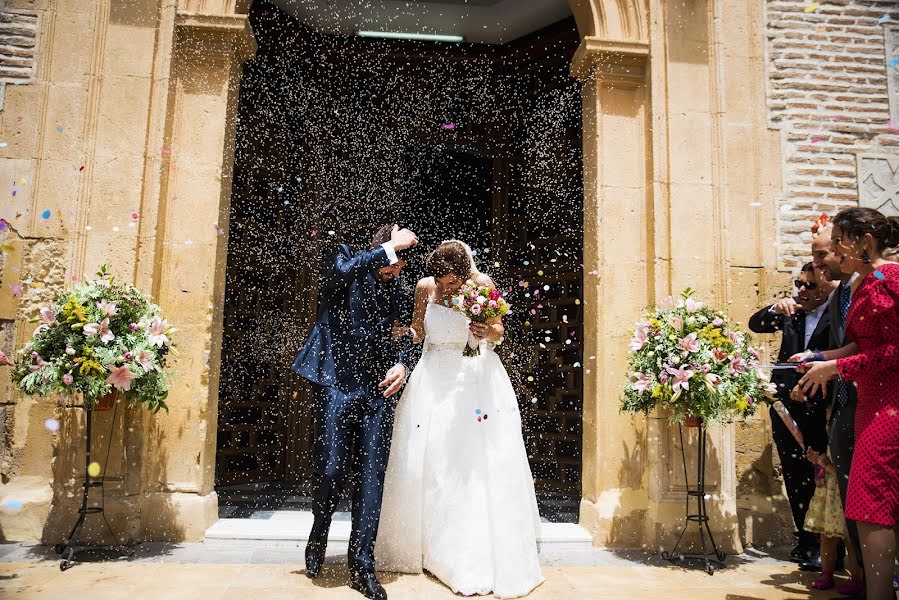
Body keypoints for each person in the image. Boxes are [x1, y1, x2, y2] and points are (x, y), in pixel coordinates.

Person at [376, 240, 544, 598]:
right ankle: (424, 545)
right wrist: (403, 335)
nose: (444, 288)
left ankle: (460, 550)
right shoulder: (425, 288)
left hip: (472, 381)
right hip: (432, 377)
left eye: (450, 283)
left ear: (464, 275)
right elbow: (419, 330)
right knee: (428, 460)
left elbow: (498, 329)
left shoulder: (482, 285)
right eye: (440, 282)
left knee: (466, 461)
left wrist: (488, 333)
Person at [291, 224, 419, 600]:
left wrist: (401, 364)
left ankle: (362, 564)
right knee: (331, 469)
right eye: (395, 262)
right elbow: (344, 273)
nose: (398, 271)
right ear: (382, 248)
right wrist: (391, 248)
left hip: (377, 389)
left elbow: (399, 333)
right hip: (336, 383)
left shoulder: (395, 285)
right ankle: (319, 531)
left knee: (371, 475)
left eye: (400, 265)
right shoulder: (342, 257)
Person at [797, 207, 899, 600]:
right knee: (864, 504)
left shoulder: (886, 278)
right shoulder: (867, 280)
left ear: (864, 243)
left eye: (839, 241)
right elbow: (866, 344)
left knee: (872, 506)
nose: (835, 250)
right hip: (870, 404)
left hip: (889, 406)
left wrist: (837, 368)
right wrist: (821, 359)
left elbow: (893, 352)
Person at [748, 262, 836, 563]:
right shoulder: (792, 312)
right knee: (794, 472)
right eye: (799, 284)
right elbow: (755, 324)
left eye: (809, 285)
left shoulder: (836, 314)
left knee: (821, 475)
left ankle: (829, 546)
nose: (802, 290)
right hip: (785, 405)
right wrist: (775, 307)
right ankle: (806, 541)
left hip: (820, 406)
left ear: (826, 284)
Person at [809, 224, 864, 594]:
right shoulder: (838, 295)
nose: (816, 265)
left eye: (821, 254)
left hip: (872, 403)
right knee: (851, 498)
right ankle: (863, 577)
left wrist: (824, 361)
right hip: (843, 405)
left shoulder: (873, 285)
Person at [803, 433, 862, 591]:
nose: (829, 425)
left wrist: (826, 465)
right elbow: (826, 459)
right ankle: (826, 573)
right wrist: (818, 464)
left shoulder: (854, 441)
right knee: (827, 536)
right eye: (828, 421)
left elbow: (847, 475)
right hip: (830, 495)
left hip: (846, 494)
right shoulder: (833, 438)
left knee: (851, 539)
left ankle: (857, 578)